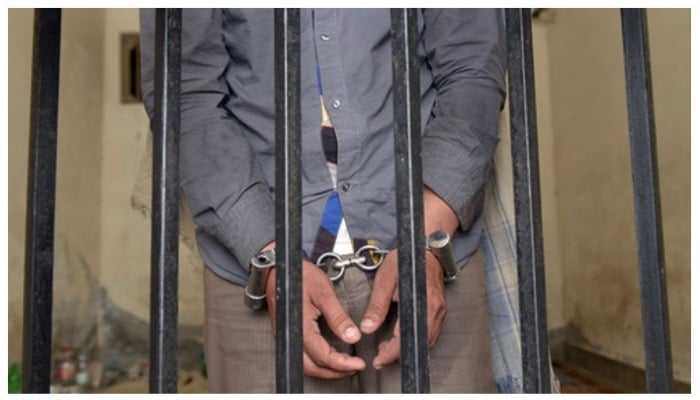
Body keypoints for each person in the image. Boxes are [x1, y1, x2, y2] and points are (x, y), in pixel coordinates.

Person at [140, 8, 506, 393]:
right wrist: (268, 254)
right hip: (253, 254)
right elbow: (184, 96)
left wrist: (427, 235)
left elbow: (473, 67)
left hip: (427, 244)